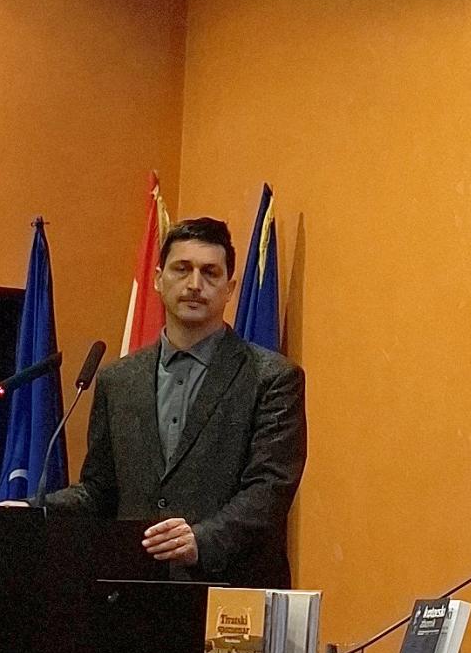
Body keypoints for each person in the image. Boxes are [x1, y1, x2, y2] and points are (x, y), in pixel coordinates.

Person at [46, 216, 305, 585]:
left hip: (232, 594)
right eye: (182, 269)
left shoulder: (272, 377)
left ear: (230, 289)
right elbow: (99, 491)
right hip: (136, 589)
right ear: (158, 279)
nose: (195, 284)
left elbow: (270, 489)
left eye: (210, 273)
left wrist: (202, 541)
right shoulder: (117, 380)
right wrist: (29, 508)